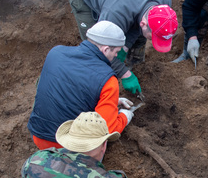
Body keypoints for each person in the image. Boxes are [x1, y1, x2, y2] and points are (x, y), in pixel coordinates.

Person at [68, 0, 178, 96]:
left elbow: (136, 25)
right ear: (144, 23)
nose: (154, 40)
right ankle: (95, 87)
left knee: (127, 43)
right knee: (95, 49)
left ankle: (132, 65)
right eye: (153, 37)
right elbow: (99, 47)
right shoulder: (116, 13)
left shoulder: (164, 3)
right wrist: (125, 74)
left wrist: (124, 48)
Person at [27, 21, 135, 150]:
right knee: (102, 143)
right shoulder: (108, 80)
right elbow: (107, 130)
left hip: (38, 135)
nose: (116, 56)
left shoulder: (55, 53)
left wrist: (110, 102)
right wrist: (124, 117)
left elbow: (70, 91)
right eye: (116, 52)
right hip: (68, 147)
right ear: (105, 49)